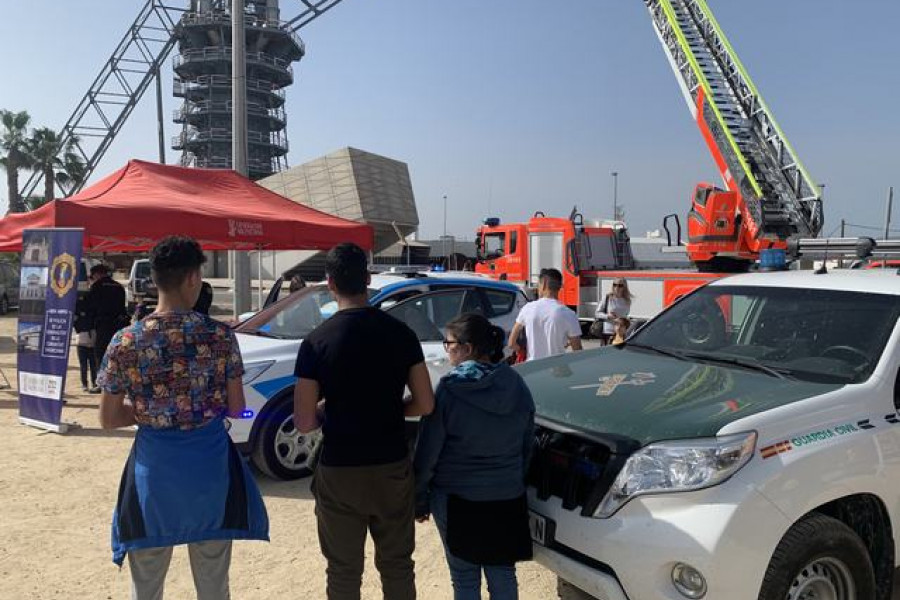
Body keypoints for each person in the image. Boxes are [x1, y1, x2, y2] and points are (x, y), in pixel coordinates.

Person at [97, 236, 269, 600]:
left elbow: (109, 418)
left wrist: (145, 411)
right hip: (209, 474)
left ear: (155, 278)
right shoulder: (220, 336)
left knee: (146, 584)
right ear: (193, 278)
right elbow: (237, 408)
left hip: (154, 477)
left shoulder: (126, 340)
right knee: (213, 584)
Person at [294, 242, 435, 600]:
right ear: (368, 280)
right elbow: (425, 403)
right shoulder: (402, 334)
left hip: (340, 467)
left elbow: (305, 420)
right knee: (397, 564)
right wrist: (390, 408)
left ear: (330, 284)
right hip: (391, 463)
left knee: (343, 570)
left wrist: (331, 408)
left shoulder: (315, 342)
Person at [414, 313, 535, 600]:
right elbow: (527, 443)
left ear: (467, 348)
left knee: (465, 579)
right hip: (506, 495)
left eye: (449, 343)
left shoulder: (450, 389)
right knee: (503, 573)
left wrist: (419, 496)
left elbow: (428, 451)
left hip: (457, 499)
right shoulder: (516, 384)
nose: (447, 349)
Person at [507, 268, 582, 361]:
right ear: (560, 287)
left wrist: (521, 351)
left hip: (532, 368)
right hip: (556, 369)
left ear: (544, 285)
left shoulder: (527, 309)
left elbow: (511, 343)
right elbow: (578, 350)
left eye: (538, 285)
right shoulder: (569, 314)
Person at [85, 264, 127, 364]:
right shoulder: (119, 286)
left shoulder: (97, 286)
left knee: (101, 356)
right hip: (118, 326)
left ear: (97, 274)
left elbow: (90, 307)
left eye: (92, 276)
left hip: (102, 326)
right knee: (116, 353)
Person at [594, 278, 632, 345]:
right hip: (608, 332)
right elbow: (597, 313)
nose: (617, 287)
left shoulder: (627, 300)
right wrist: (608, 316)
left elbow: (626, 315)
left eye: (620, 285)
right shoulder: (607, 298)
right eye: (615, 285)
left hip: (621, 333)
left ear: (624, 287)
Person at [73, 295, 99, 393]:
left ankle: (94, 383)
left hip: (92, 341)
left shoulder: (94, 311)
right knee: (83, 365)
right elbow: (75, 324)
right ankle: (84, 384)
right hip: (81, 341)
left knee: (93, 365)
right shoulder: (77, 310)